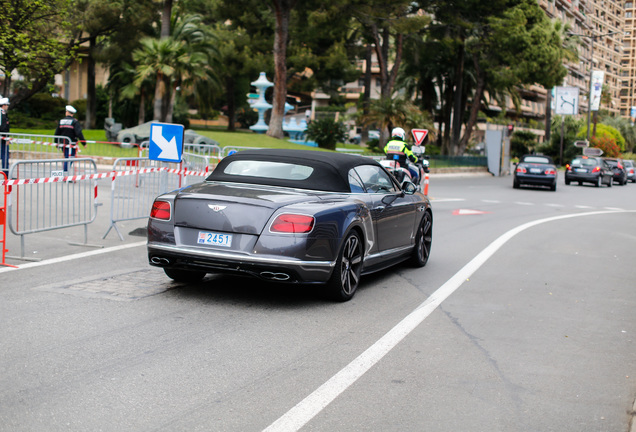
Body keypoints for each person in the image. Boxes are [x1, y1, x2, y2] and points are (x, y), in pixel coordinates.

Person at [55, 105, 86, 173]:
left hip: (63, 143)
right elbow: (79, 133)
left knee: (67, 157)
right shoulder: (74, 122)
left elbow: (57, 133)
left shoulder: (61, 121)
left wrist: (56, 143)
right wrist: (84, 143)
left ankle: (65, 173)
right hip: (71, 143)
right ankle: (65, 174)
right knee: (70, 158)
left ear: (67, 112)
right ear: (72, 113)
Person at [0, 97, 9, 177]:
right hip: (2, 139)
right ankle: (6, 174)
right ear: (4, 105)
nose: (8, 106)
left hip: (2, 138)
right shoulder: (2, 114)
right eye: (7, 105)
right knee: (4, 155)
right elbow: (3, 128)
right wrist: (6, 138)